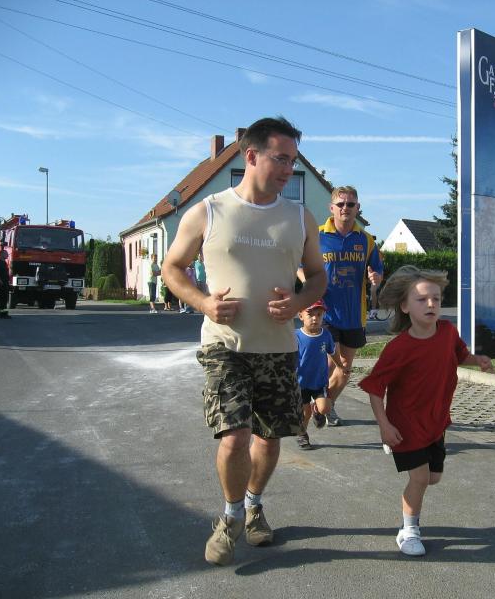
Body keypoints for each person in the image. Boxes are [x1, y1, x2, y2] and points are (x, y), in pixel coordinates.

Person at [162, 116, 327, 567]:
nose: (288, 170)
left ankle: (254, 505)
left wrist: (297, 304)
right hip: (225, 345)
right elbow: (172, 268)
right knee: (235, 436)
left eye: (292, 162)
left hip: (278, 347)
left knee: (269, 439)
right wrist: (204, 303)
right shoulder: (208, 211)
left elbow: (317, 277)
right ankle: (231, 516)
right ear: (251, 156)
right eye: (281, 159)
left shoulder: (300, 217)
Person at [358, 265, 494, 557]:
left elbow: (459, 354)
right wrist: (384, 425)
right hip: (405, 425)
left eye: (436, 298)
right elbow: (374, 388)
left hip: (436, 422)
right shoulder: (398, 349)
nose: (431, 304)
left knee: (433, 478)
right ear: (405, 306)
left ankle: (400, 459)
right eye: (422, 299)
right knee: (419, 479)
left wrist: (477, 360)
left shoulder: (447, 332)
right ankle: (409, 532)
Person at [305, 185, 383, 426]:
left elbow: (377, 270)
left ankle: (325, 406)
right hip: (325, 313)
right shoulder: (317, 236)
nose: (345, 208)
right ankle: (307, 407)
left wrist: (376, 278)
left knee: (346, 368)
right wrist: (308, 281)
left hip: (354, 315)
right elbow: (298, 264)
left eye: (350, 204)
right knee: (330, 363)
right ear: (332, 208)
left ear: (357, 208)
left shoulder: (366, 240)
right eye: (340, 204)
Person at [294, 298, 346, 450]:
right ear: (301, 316)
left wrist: (340, 366)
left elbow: (333, 352)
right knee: (305, 413)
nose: (315, 318)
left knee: (325, 408)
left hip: (319, 382)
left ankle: (317, 411)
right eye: (310, 314)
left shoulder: (326, 335)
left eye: (319, 315)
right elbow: (287, 357)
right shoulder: (295, 336)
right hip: (300, 383)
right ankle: (302, 434)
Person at [0, 249, 11, 319]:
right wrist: (0, 282)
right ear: (1, 254)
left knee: (4, 298)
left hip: (5, 283)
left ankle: (1, 313)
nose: (7, 255)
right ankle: (2, 313)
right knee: (2, 298)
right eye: (6, 253)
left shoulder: (4, 263)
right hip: (1, 283)